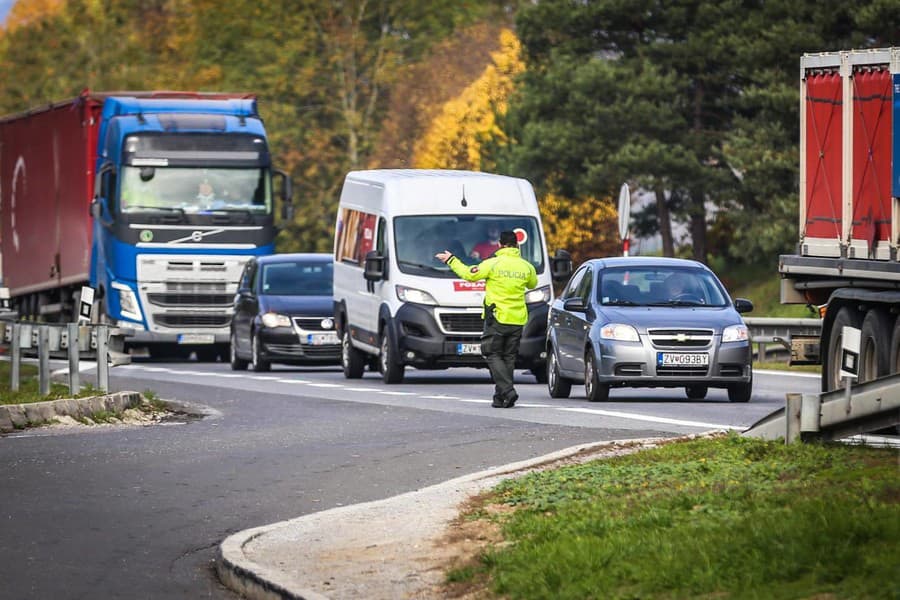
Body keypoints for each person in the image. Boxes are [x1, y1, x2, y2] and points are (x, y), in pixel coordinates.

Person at [436, 230, 537, 408]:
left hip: (497, 317)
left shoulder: (493, 263)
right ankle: (501, 398)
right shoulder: (526, 266)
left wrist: (451, 260)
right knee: (509, 357)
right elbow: (533, 283)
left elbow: (470, 274)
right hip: (518, 318)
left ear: (500, 244)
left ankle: (508, 391)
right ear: (517, 245)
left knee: (492, 354)